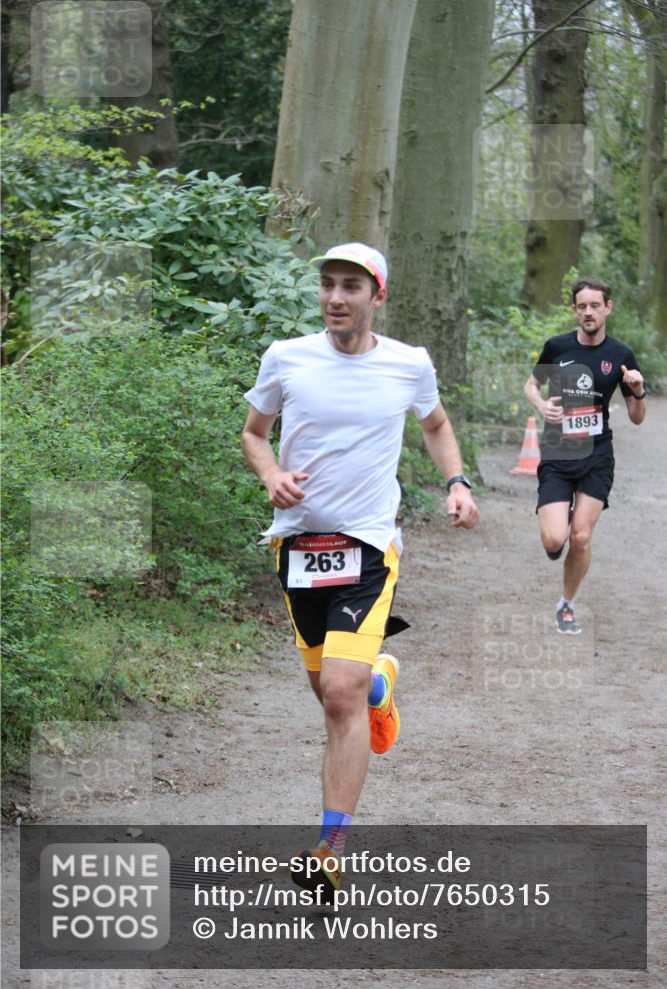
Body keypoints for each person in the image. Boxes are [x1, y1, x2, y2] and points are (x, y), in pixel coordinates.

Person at [241, 242, 479, 899]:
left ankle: (330, 848)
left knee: (337, 697)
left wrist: (455, 480)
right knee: (333, 694)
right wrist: (271, 474)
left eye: (351, 286)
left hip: (369, 546)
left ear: (377, 296)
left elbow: (433, 424)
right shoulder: (287, 358)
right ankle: (379, 683)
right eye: (327, 285)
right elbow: (253, 432)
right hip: (297, 546)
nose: (336, 298)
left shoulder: (408, 364)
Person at [523, 277, 646, 634]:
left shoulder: (620, 356)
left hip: (597, 455)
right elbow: (531, 384)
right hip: (558, 455)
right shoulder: (557, 347)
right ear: (574, 309)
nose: (588, 312)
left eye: (595, 305)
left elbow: (638, 419)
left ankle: (565, 605)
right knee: (554, 540)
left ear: (608, 307)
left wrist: (636, 391)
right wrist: (542, 404)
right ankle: (559, 530)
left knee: (580, 537)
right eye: (582, 306)